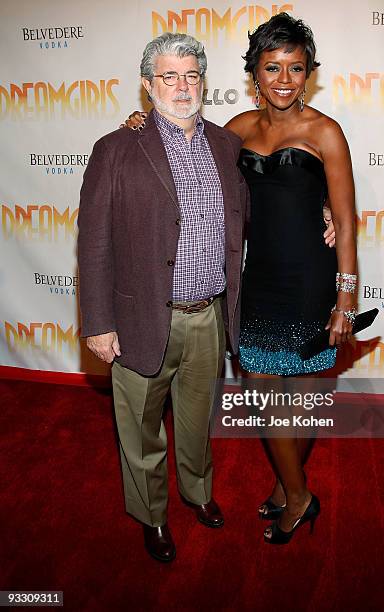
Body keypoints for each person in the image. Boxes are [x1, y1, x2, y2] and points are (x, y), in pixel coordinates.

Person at [77, 32, 248, 563]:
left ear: (203, 82)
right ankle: (151, 516)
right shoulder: (115, 149)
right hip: (139, 319)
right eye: (169, 76)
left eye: (191, 75)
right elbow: (95, 241)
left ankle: (198, 493)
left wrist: (323, 213)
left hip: (209, 317)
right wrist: (99, 322)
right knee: (141, 433)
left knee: (197, 425)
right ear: (148, 85)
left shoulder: (226, 144)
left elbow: (254, 207)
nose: (181, 86)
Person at [223, 13, 358, 544]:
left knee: (299, 399)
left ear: (309, 73)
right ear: (255, 72)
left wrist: (345, 300)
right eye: (272, 67)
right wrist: (139, 125)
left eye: (295, 68)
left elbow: (345, 221)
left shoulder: (325, 131)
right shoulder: (235, 130)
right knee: (263, 393)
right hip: (260, 278)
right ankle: (296, 489)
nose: (283, 79)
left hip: (309, 279)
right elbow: (181, 152)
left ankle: (291, 489)